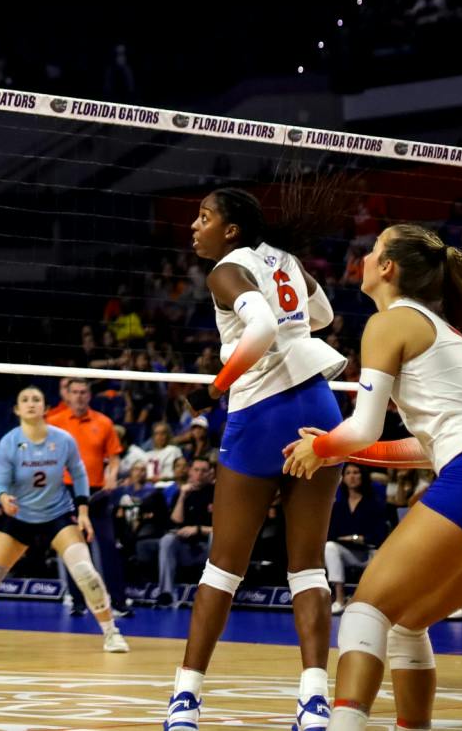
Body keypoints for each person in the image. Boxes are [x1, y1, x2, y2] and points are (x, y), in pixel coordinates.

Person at [282, 223, 462, 731]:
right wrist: (346, 452)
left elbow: (362, 426)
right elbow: (419, 446)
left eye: (372, 250)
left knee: (366, 611)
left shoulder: (391, 322)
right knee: (408, 624)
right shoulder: (444, 329)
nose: (361, 257)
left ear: (388, 268)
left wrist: (319, 447)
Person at [164, 189, 347, 731]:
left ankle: (186, 700)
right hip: (318, 403)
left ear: (232, 231)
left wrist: (215, 388)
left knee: (223, 568)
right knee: (308, 566)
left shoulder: (226, 269)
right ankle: (314, 702)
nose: (193, 227)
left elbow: (262, 329)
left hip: (261, 415)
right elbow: (323, 314)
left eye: (204, 218)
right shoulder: (284, 260)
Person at [0, 386, 129, 657]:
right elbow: (1, 485)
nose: (31, 404)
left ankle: (111, 632)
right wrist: (5, 497)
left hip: (57, 516)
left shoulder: (63, 439)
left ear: (45, 408)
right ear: (17, 409)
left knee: (86, 573)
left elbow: (79, 476)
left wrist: (82, 512)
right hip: (21, 517)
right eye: (25, 400)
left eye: (36, 400)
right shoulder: (9, 442)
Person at [47, 377, 127, 618]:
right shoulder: (54, 423)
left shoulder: (103, 423)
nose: (80, 396)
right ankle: (79, 603)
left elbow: (114, 457)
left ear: (89, 395)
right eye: (75, 392)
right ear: (68, 396)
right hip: (67, 493)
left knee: (107, 547)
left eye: (84, 392)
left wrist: (112, 475)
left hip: (97, 494)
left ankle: (120, 603)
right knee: (74, 549)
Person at [323, 463, 394, 614]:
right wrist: (351, 538)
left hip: (369, 552)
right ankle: (340, 599)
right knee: (329, 547)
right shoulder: (338, 506)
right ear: (344, 478)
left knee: (378, 555)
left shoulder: (374, 503)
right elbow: (331, 534)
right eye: (348, 473)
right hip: (349, 552)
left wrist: (357, 537)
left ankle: (371, 602)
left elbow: (379, 535)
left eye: (356, 472)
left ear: (362, 476)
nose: (352, 476)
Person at [158, 456, 217, 598]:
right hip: (187, 549)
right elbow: (175, 523)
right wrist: (182, 496)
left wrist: (198, 529)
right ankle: (166, 593)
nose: (199, 474)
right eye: (196, 470)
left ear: (211, 473)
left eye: (204, 471)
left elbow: (225, 530)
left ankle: (213, 591)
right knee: (167, 539)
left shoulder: (218, 493)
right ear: (190, 471)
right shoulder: (182, 493)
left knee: (215, 537)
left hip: (210, 549)